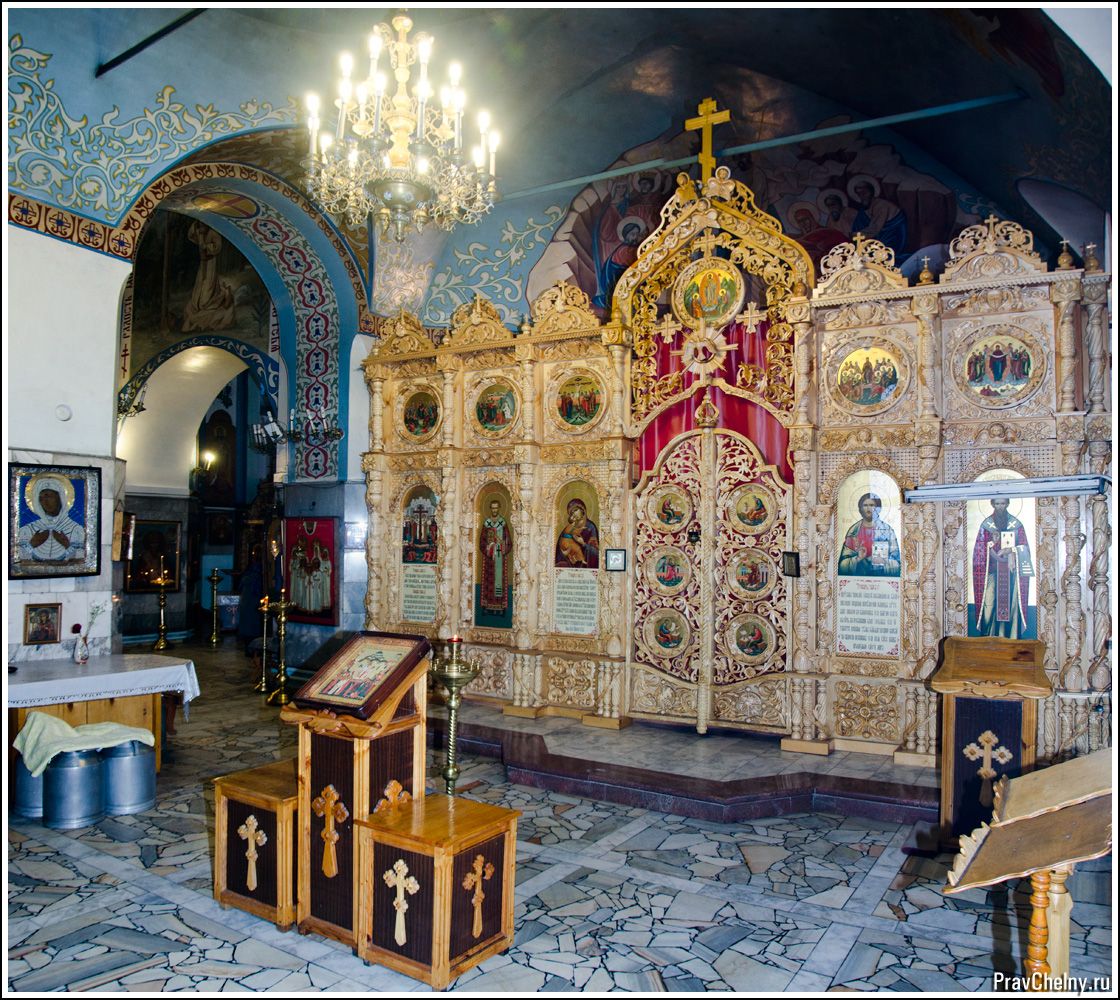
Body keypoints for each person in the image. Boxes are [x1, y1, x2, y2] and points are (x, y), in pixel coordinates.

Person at [972, 497, 1033, 638]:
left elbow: (1025, 548)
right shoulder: (986, 525)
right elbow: (979, 551)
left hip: (1011, 573)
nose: (1000, 507)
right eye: (997, 504)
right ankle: (988, 638)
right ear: (992, 504)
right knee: (989, 605)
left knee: (1012, 605)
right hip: (991, 573)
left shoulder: (1016, 525)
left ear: (1008, 504)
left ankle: (1012, 639)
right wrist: (991, 544)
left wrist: (1011, 550)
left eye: (1003, 503)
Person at [18, 474, 85, 563]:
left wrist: (67, 544)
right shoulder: (28, 529)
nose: (45, 502)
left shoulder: (75, 529)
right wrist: (32, 544)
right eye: (41, 498)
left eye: (48, 496)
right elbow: (20, 561)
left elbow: (80, 562)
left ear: (60, 497)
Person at [838, 492, 901, 577]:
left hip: (881, 579)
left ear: (878, 508)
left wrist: (879, 560)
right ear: (860, 509)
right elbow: (842, 566)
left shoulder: (887, 531)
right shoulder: (853, 531)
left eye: (872, 505)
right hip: (857, 579)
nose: (868, 508)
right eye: (865, 505)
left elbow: (897, 563)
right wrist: (858, 559)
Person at [479, 499, 513, 613]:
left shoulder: (502, 524)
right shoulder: (487, 524)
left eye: (496, 508)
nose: (494, 510)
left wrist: (502, 547)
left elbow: (508, 541)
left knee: (499, 582)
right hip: (489, 559)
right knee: (488, 581)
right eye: (492, 508)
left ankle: (500, 607)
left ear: (499, 508)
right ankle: (487, 606)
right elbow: (482, 541)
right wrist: (488, 549)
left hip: (500, 558)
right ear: (490, 508)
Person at [555, 499, 600, 569]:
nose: (576, 519)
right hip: (570, 567)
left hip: (587, 568)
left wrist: (583, 544)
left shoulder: (591, 527)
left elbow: (596, 553)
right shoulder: (569, 528)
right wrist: (564, 553)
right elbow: (560, 550)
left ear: (583, 513)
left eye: (578, 516)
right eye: (573, 515)